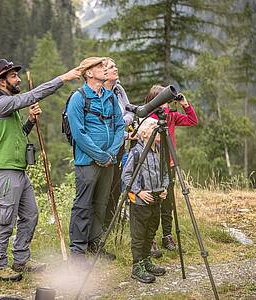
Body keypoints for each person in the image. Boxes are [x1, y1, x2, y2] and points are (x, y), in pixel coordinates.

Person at [0, 59, 81, 281]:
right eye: (13, 76)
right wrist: (63, 78)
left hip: (18, 170)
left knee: (30, 215)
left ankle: (21, 260)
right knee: (5, 219)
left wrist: (29, 121)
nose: (18, 79)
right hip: (5, 172)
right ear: (2, 81)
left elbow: (17, 135)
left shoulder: (9, 105)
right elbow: (32, 96)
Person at [66, 57, 125, 266]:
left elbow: (120, 127)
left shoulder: (110, 98)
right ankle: (78, 251)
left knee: (101, 203)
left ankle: (94, 243)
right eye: (100, 66)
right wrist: (100, 155)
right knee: (83, 205)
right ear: (89, 73)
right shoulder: (78, 98)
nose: (104, 68)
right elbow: (79, 133)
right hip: (87, 162)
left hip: (108, 160)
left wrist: (111, 153)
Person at [145, 85, 198, 253]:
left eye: (167, 101)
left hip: (169, 164)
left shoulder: (171, 117)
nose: (166, 104)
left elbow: (192, 121)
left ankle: (167, 235)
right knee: (153, 201)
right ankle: (150, 238)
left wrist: (184, 103)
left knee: (168, 203)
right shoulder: (148, 117)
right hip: (152, 164)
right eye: (163, 100)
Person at [123, 118, 168, 284]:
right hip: (140, 203)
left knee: (151, 232)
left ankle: (147, 260)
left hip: (156, 201)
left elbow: (165, 174)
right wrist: (139, 192)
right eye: (150, 124)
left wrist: (164, 188)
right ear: (142, 132)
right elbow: (126, 176)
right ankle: (137, 266)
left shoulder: (159, 151)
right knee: (139, 235)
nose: (155, 125)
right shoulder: (135, 153)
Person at [102, 57, 135, 231]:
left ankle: (110, 224)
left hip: (120, 143)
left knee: (116, 185)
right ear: (103, 72)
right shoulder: (99, 93)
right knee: (104, 187)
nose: (116, 68)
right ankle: (100, 227)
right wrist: (120, 126)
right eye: (111, 66)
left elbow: (129, 112)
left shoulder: (119, 90)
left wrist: (120, 124)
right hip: (105, 146)